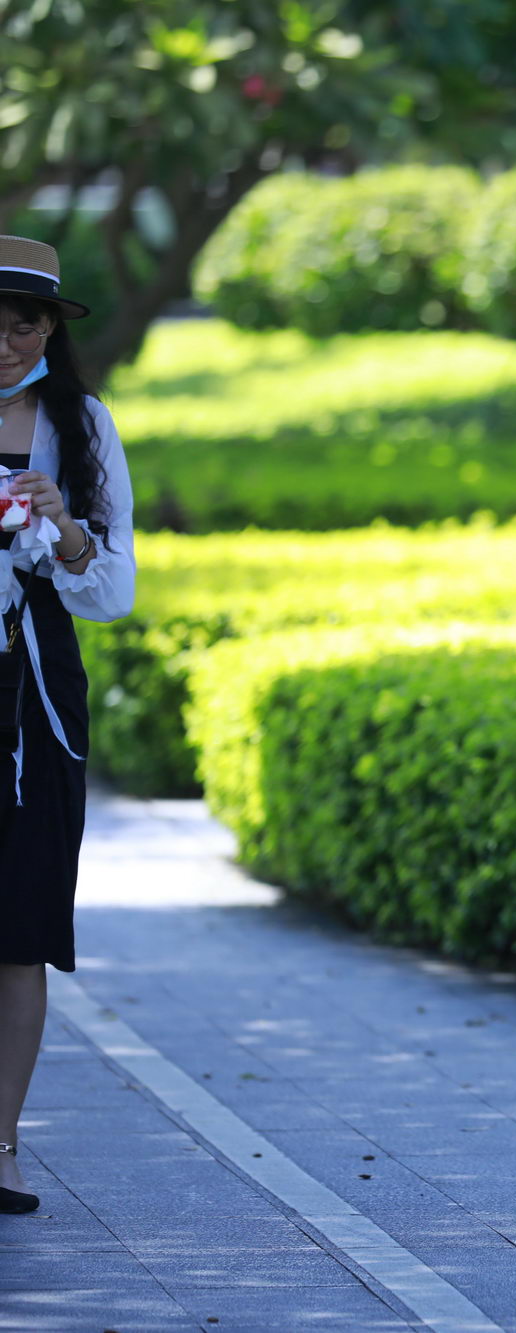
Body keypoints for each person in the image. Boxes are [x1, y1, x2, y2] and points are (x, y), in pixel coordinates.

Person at [0, 236, 137, 1216]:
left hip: (32, 706)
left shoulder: (80, 425)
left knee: (20, 930)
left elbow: (115, 589)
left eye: (26, 321)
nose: (8, 340)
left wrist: (68, 529)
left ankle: (0, 1145)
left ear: (51, 328)